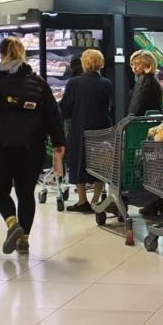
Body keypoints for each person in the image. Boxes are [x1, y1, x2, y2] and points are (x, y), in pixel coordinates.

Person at [0, 37, 65, 255]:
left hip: (2, 145)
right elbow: (53, 115)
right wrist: (59, 142)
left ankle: (12, 223)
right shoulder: (38, 82)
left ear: (1, 52)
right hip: (32, 147)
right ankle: (24, 240)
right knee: (26, 193)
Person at [60, 49, 114, 214]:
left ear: (84, 63)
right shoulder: (106, 83)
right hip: (102, 128)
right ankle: (96, 200)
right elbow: (108, 105)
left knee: (78, 162)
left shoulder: (74, 83)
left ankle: (82, 200)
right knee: (100, 163)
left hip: (80, 127)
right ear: (101, 63)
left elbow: (65, 108)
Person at [128, 50, 163, 117]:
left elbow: (136, 107)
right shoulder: (151, 78)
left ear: (148, 65)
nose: (134, 67)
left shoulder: (144, 80)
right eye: (132, 64)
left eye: (137, 64)